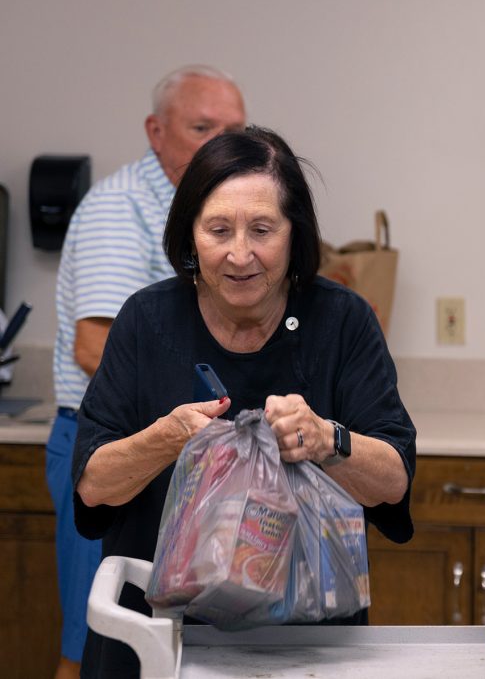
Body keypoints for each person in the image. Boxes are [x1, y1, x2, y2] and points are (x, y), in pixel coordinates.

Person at [70, 126, 416, 678]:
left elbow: (394, 480)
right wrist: (168, 438)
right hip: (159, 642)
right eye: (217, 230)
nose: (239, 254)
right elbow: (93, 484)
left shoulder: (343, 321)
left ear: (294, 234)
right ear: (190, 234)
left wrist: (328, 440)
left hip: (306, 649)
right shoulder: (146, 320)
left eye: (261, 229)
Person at [47, 64, 245, 679]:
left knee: (169, 653)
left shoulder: (214, 212)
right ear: (156, 132)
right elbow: (94, 346)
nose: (219, 145)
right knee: (98, 643)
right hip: (112, 452)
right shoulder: (121, 207)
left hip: (179, 452)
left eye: (233, 130)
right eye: (201, 127)